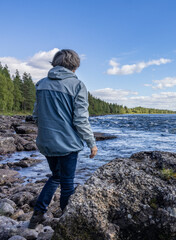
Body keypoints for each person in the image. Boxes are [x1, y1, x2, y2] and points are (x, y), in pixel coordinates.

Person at [28, 49, 98, 229]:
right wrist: (91, 143)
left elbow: (36, 115)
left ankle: (37, 215)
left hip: (46, 142)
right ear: (74, 66)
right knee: (67, 183)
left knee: (56, 176)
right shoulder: (77, 85)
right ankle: (67, 224)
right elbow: (80, 119)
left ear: (55, 63)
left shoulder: (41, 84)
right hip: (68, 144)